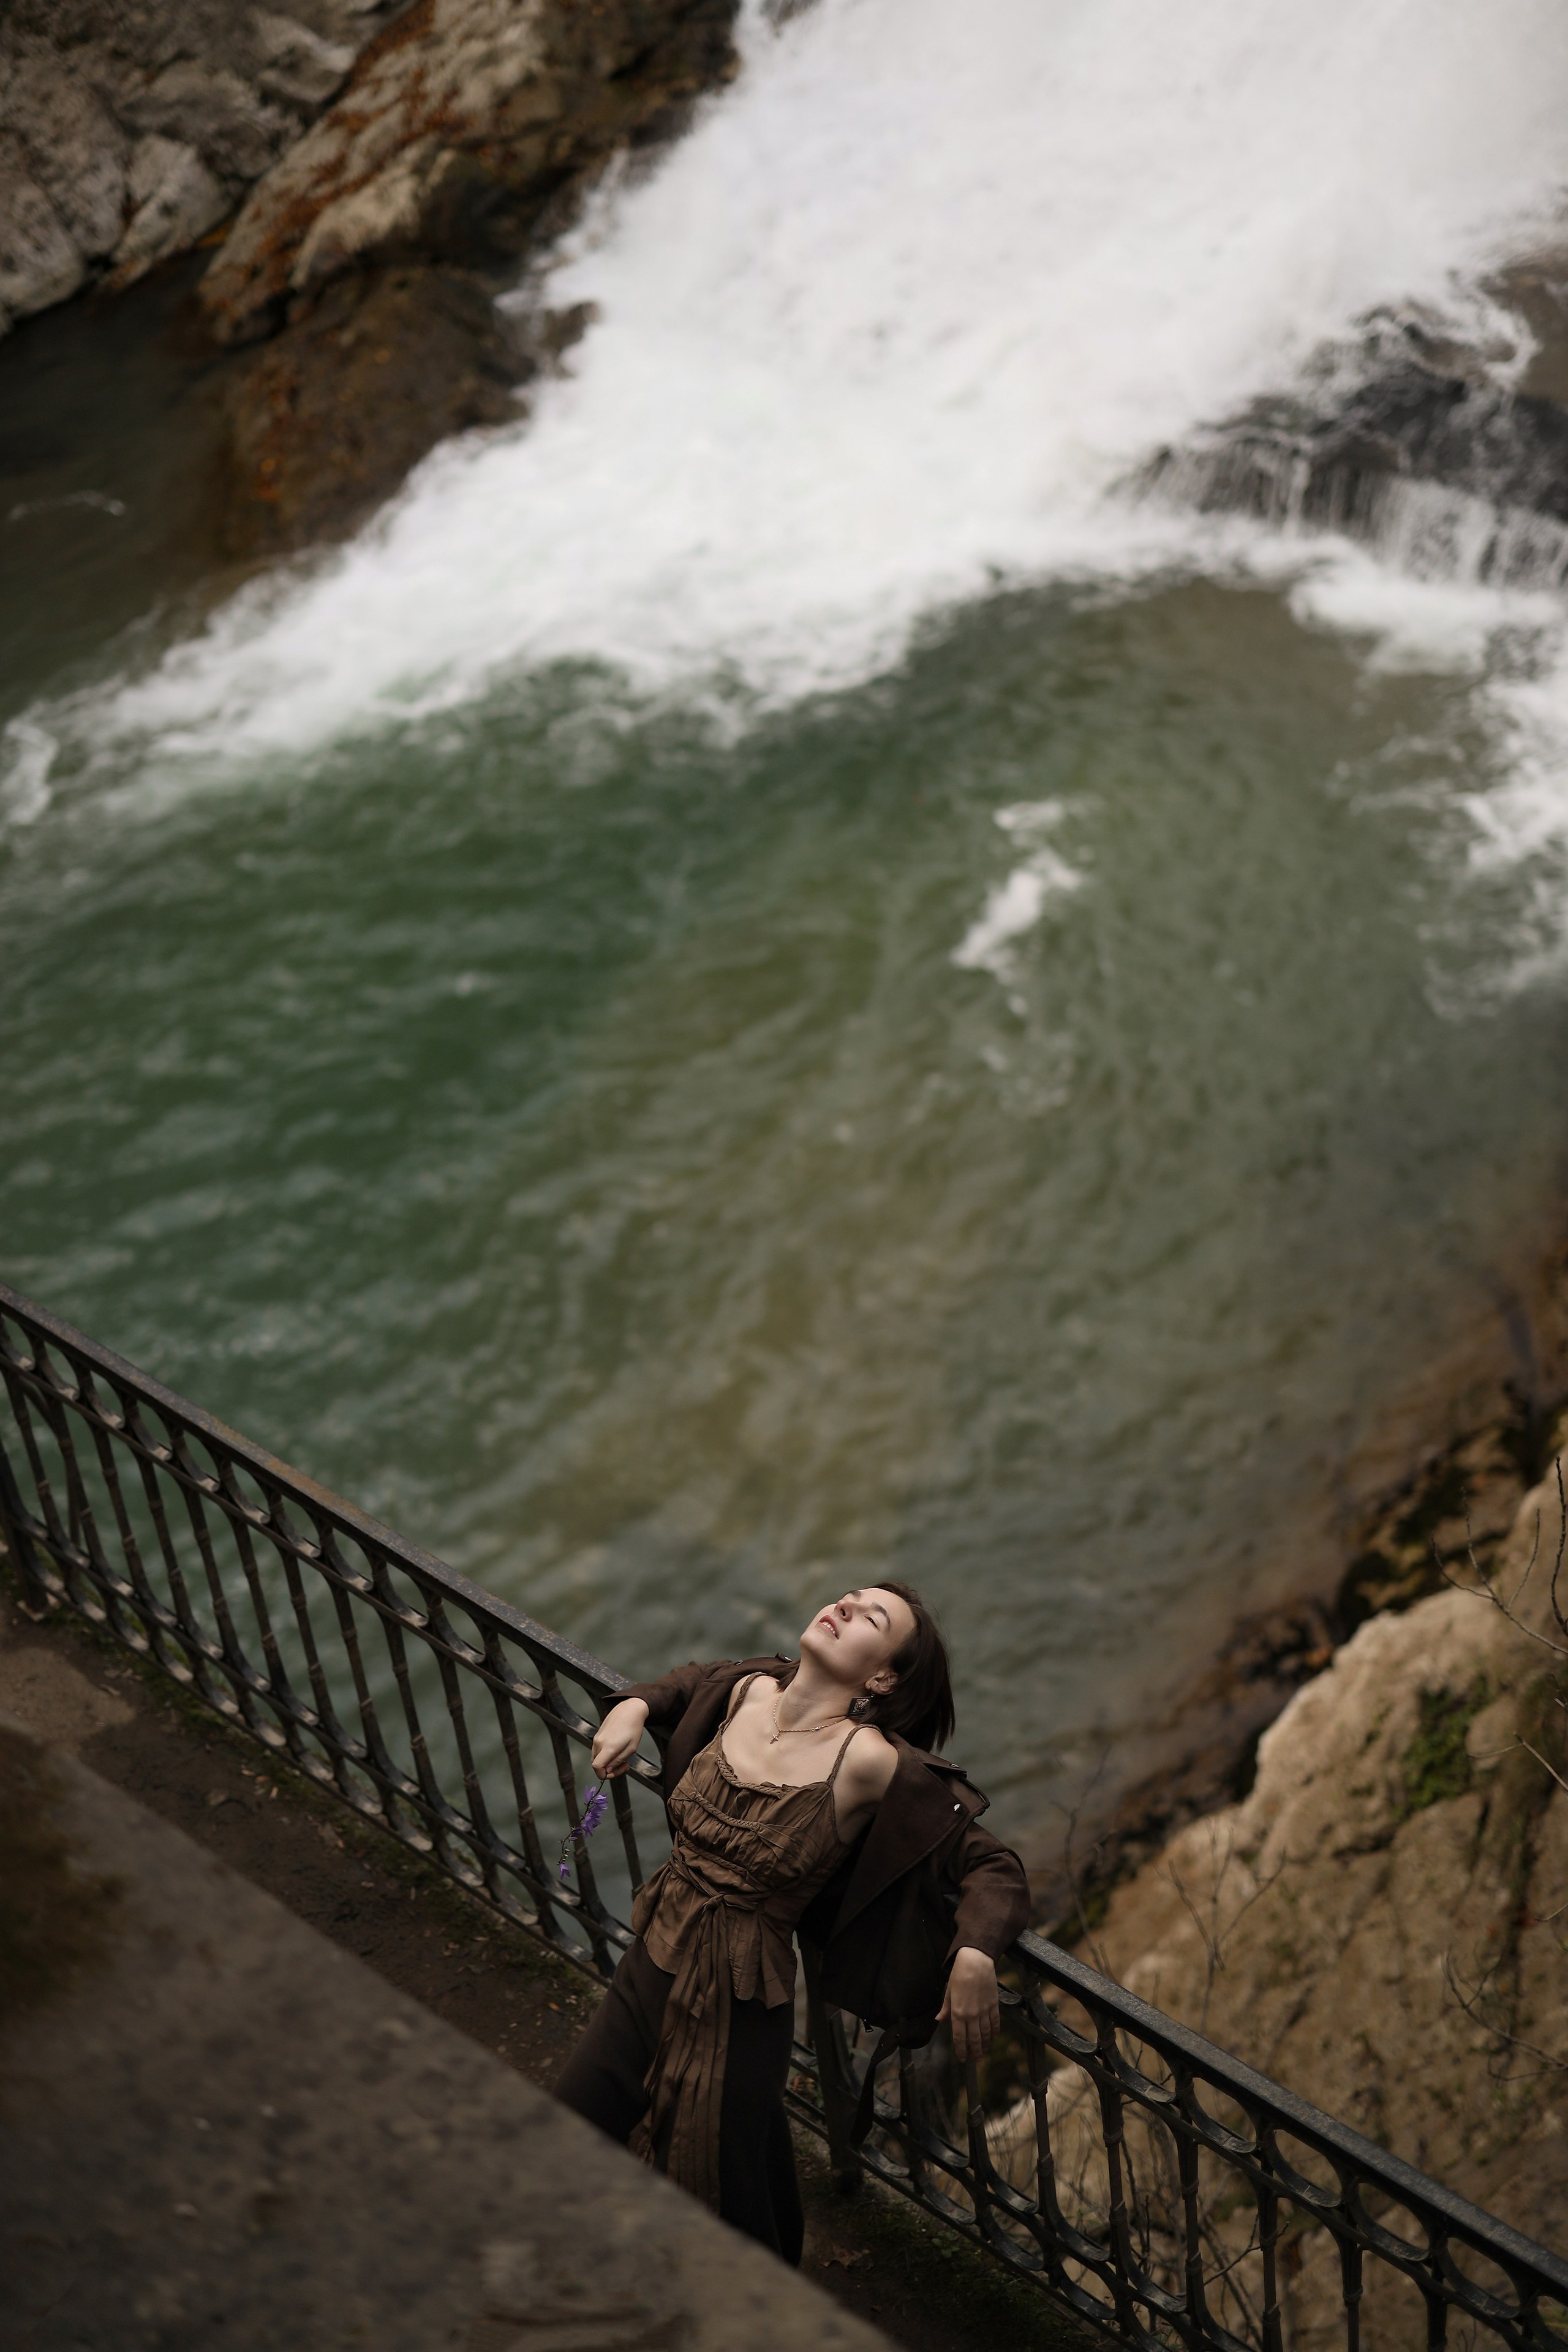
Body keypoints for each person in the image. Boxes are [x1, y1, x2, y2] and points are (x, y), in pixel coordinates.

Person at [554, 1581, 1030, 2264]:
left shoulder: (868, 1761)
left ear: (883, 1677)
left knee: (721, 2190)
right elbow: (687, 1684)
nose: (844, 1607)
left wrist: (976, 1952)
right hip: (649, 1965)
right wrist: (633, 1705)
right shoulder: (746, 1692)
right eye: (848, 1597)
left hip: (740, 2001)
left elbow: (990, 1862)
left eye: (871, 1618)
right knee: (574, 2128)